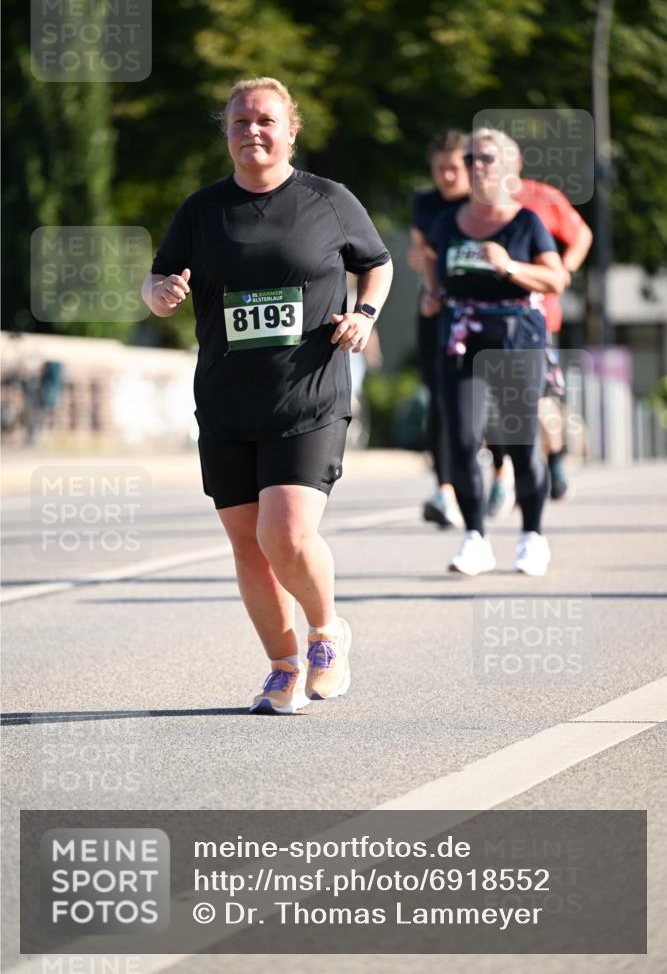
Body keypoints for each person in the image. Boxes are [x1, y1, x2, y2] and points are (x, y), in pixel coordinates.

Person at [142, 77, 393, 712]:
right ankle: (282, 665)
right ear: (225, 132)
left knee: (285, 532)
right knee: (249, 545)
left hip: (308, 393)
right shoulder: (202, 210)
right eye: (239, 122)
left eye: (265, 120)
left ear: (290, 130)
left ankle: (326, 632)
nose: (252, 131)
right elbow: (157, 280)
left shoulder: (327, 200)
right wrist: (161, 294)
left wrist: (363, 313)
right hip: (227, 402)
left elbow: (378, 262)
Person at [424, 128, 564, 576]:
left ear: (509, 167)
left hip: (515, 338)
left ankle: (532, 536)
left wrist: (510, 266)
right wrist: (432, 293)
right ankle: (475, 538)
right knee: (462, 439)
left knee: (521, 443)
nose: (475, 167)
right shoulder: (447, 223)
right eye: (469, 159)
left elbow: (556, 279)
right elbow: (431, 259)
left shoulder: (526, 223)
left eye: (485, 158)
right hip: (462, 337)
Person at [486, 153, 593, 510]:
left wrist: (562, 270)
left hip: (536, 318)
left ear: (514, 165)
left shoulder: (541, 198)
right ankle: (503, 475)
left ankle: (557, 460)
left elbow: (581, 235)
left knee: (538, 399)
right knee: (494, 402)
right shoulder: (477, 206)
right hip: (486, 317)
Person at [407, 131, 469, 528]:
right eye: (439, 168)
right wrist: (431, 289)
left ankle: (500, 473)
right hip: (437, 309)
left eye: (453, 167)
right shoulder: (424, 203)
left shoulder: (481, 203)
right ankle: (445, 489)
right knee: (440, 400)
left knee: (484, 401)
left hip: (481, 312)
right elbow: (419, 253)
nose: (446, 176)